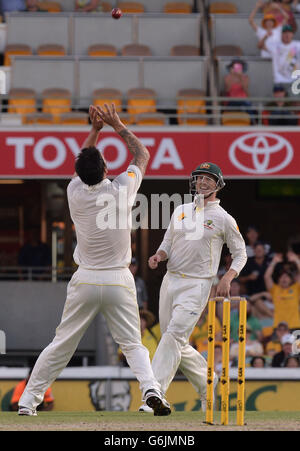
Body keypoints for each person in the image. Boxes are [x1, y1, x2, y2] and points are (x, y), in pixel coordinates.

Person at [18, 104, 171, 417]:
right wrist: (116, 125)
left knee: (61, 344)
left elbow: (82, 164)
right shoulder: (123, 188)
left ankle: (27, 402)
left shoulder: (74, 190)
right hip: (118, 279)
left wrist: (95, 130)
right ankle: (151, 388)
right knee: (132, 344)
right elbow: (141, 154)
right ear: (105, 170)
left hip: (85, 278)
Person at [147, 162, 247, 409]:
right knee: (175, 340)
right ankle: (208, 382)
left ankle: (153, 393)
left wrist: (226, 278)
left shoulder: (223, 218)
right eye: (199, 178)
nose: (202, 183)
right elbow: (168, 242)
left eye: (208, 179)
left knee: (173, 334)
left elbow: (241, 253)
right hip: (170, 280)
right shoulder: (181, 210)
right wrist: (159, 255)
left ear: (218, 185)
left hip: (198, 284)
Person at [264, 252, 300, 330]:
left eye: (287, 277)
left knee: (297, 343)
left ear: (291, 280)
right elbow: (267, 277)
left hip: (295, 325)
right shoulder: (275, 289)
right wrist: (274, 262)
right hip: (278, 326)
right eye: (282, 277)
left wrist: (296, 260)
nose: (284, 278)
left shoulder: (296, 288)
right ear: (279, 279)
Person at [262, 24, 300, 88]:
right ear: (281, 35)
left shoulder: (298, 45)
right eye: (285, 33)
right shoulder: (275, 46)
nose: (287, 35)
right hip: (279, 82)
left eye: (289, 32)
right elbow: (260, 46)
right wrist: (266, 36)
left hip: (296, 82)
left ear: (292, 34)